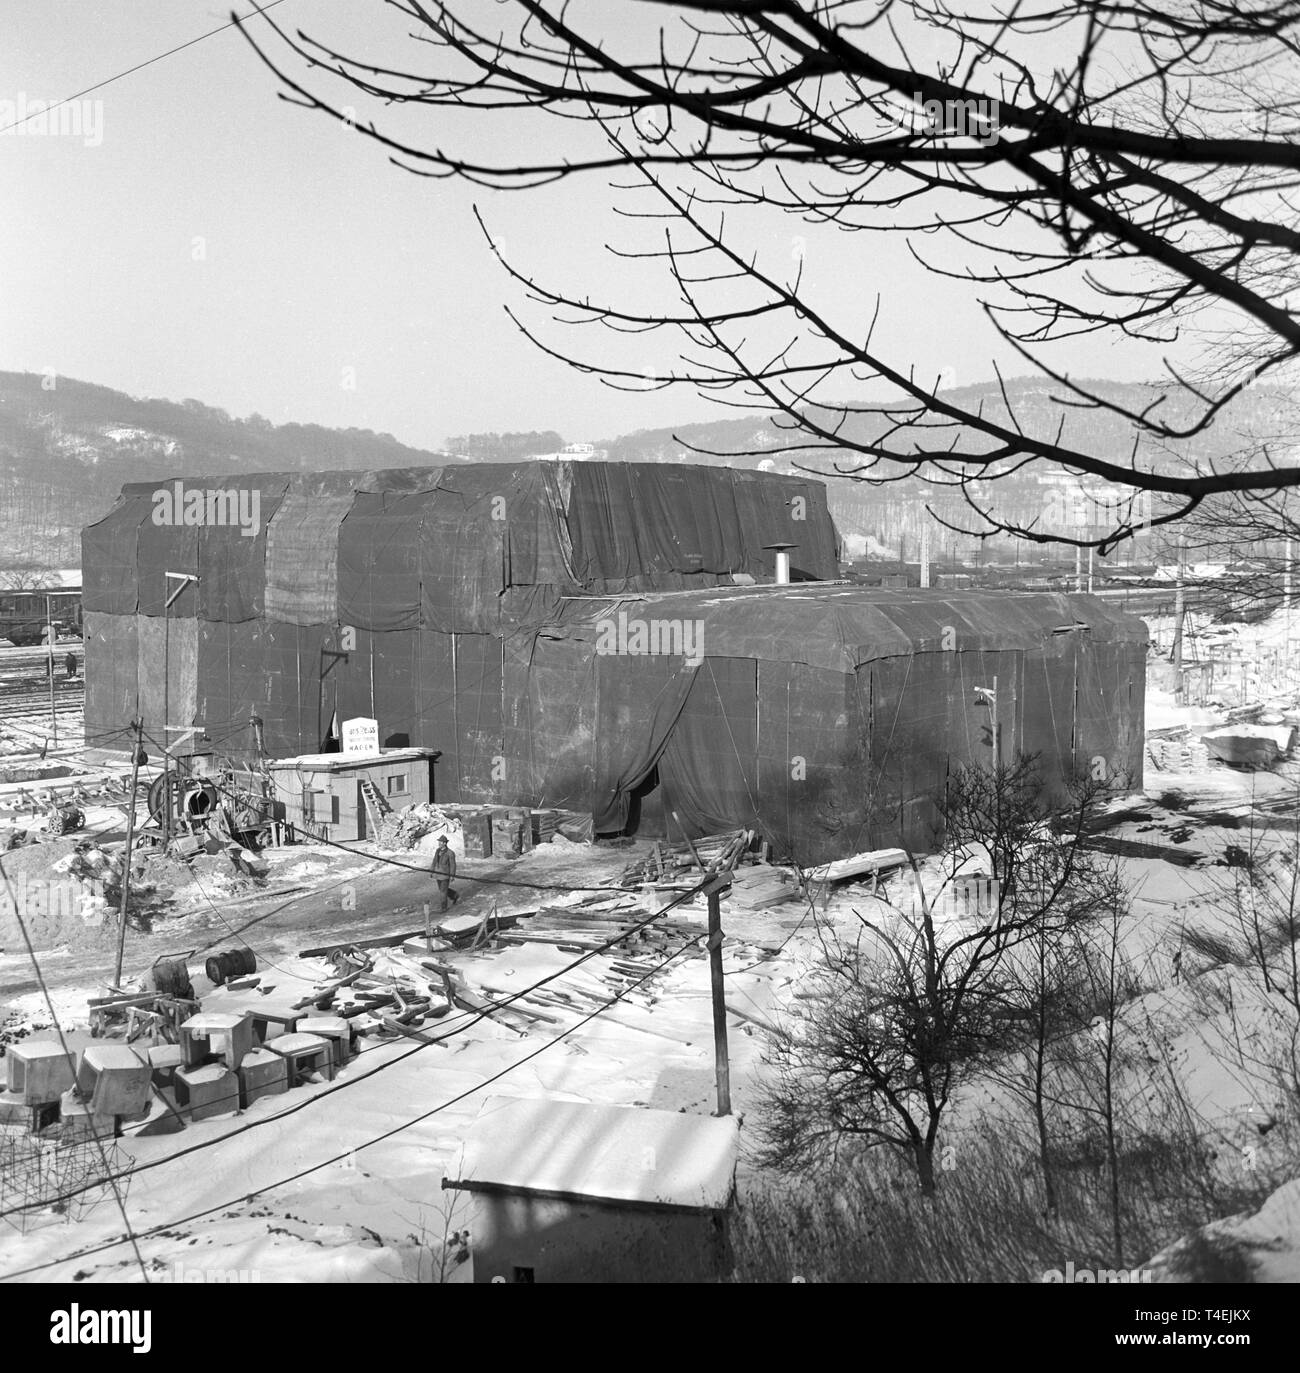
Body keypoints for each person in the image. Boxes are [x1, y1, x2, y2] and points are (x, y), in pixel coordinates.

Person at [431, 833, 457, 912]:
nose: (439, 843)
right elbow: (434, 861)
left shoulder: (450, 853)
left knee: (443, 891)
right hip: (438, 874)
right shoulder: (437, 851)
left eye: (441, 842)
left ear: (445, 843)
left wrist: (452, 875)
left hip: (445, 875)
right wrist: (431, 871)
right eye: (439, 842)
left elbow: (453, 865)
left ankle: (444, 907)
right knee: (442, 889)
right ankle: (454, 895)